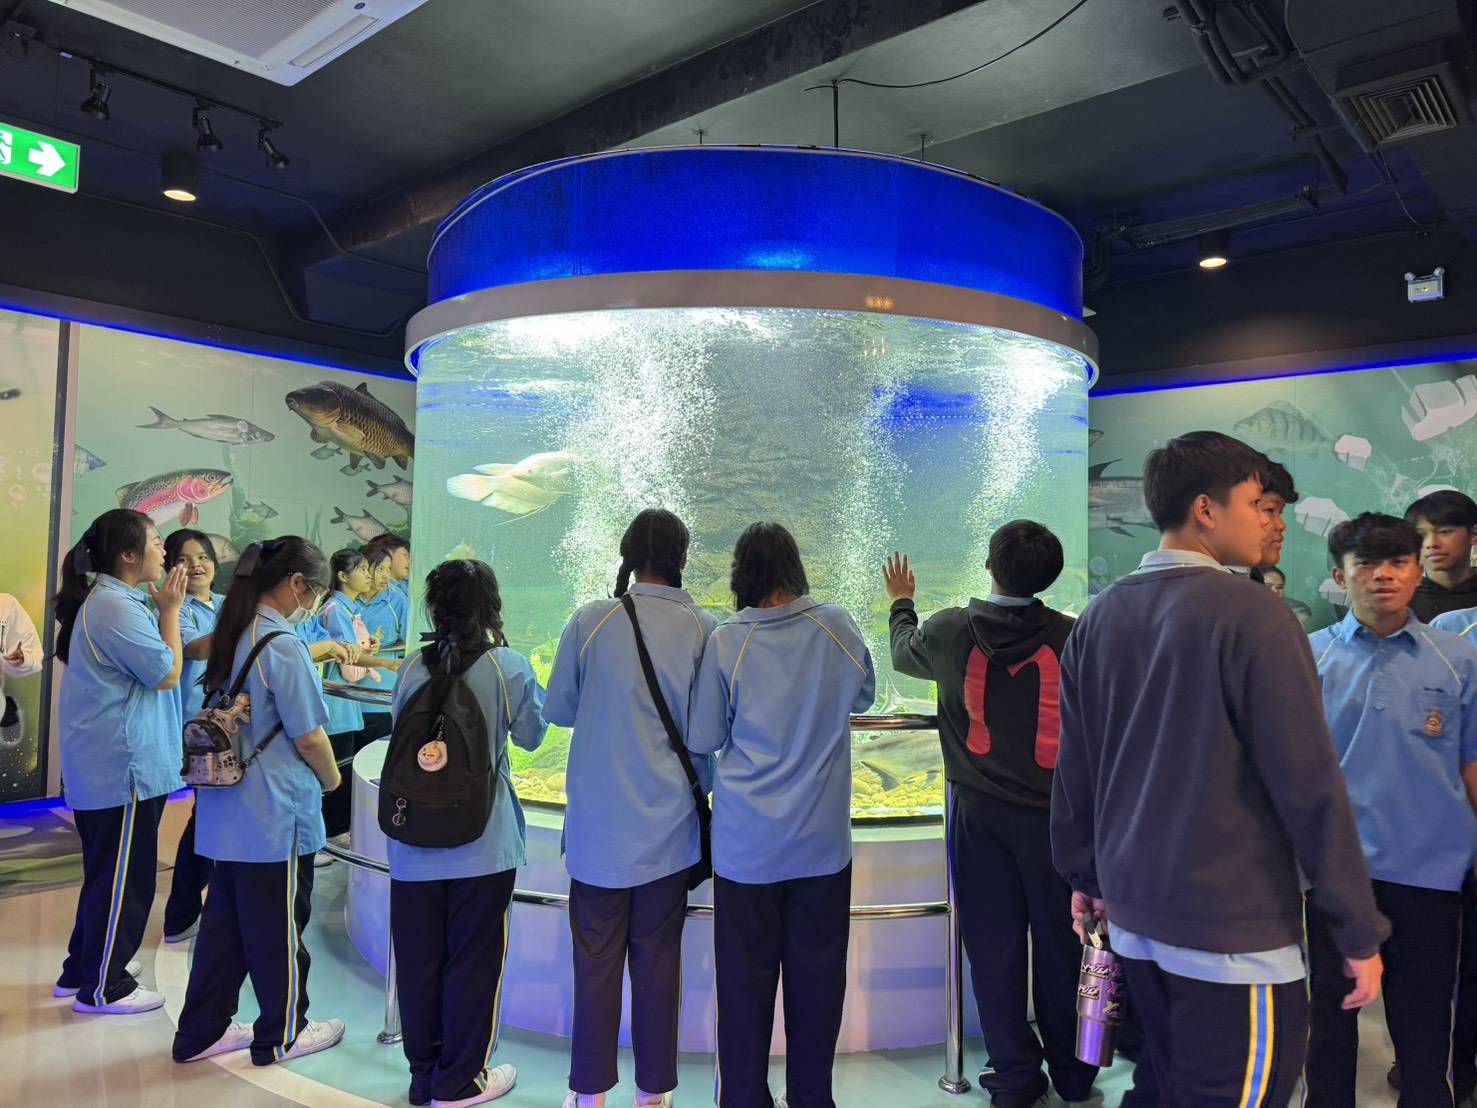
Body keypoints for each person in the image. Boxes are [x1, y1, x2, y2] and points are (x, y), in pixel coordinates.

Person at [1051, 431, 1388, 1107]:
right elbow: (1308, 785)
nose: (1271, 521)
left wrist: (1085, 877)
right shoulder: (1256, 614)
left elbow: (1076, 769)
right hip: (1232, 935)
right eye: (1257, 503)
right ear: (1205, 509)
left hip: (1135, 919)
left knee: (1165, 1084)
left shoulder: (1099, 616)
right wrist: (1356, 927)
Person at [884, 521, 1095, 1108]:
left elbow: (903, 654)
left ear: (988, 566)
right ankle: (1075, 1075)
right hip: (1055, 820)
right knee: (1063, 946)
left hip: (979, 817)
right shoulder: (1073, 637)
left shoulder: (950, 629)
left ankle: (1014, 1077)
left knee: (993, 948)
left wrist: (902, 603)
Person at [689, 522, 876, 1108]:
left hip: (746, 850)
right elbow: (864, 696)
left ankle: (744, 1098)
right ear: (795, 568)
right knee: (818, 985)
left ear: (742, 574)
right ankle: (812, 1099)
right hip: (821, 847)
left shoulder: (728, 640)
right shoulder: (837, 625)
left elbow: (705, 735)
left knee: (744, 989)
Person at [544, 509, 717, 1108]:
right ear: (683, 558)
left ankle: (589, 1093)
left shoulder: (591, 619)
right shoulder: (704, 628)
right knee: (659, 963)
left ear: (627, 556)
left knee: (594, 963)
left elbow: (558, 709)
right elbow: (707, 732)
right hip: (669, 834)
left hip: (597, 833)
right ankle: (653, 1092)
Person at [1305, 513, 1477, 1107]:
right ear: (1340, 577)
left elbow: (1471, 764)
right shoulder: (1309, 657)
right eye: (1367, 564)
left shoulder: (1457, 658)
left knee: (1426, 1025)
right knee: (1328, 1023)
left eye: (1399, 561)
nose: (1384, 575)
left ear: (1417, 570)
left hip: (1429, 869)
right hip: (1332, 871)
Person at [171, 537, 347, 1066]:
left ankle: (201, 1030)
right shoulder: (283, 644)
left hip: (227, 810)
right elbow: (309, 736)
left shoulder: (233, 632)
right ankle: (284, 1030)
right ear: (296, 584)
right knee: (279, 926)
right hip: (274, 812)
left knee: (224, 926)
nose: (312, 604)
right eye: (314, 593)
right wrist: (333, 782)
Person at [388, 559, 546, 1108]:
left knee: (419, 961)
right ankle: (461, 1080)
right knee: (475, 963)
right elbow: (532, 736)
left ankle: (423, 1075)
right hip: (483, 843)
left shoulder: (412, 666)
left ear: (434, 609)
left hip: (412, 843)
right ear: (491, 607)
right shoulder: (508, 667)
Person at [51, 509, 188, 1014]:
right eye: (155, 541)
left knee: (107, 875)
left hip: (111, 766)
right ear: (128, 555)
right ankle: (105, 986)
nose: (164, 550)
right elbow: (167, 674)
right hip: (122, 769)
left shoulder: (114, 601)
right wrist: (170, 611)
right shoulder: (115, 606)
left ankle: (82, 969)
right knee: (125, 881)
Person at [160, 529, 225, 945]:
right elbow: (196, 650)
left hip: (231, 728)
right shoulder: (173, 609)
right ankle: (181, 915)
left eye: (203, 557)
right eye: (185, 559)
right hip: (197, 729)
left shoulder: (227, 604)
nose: (197, 565)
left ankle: (196, 912)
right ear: (170, 567)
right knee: (206, 820)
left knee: (213, 818)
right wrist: (248, 626)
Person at [315, 548, 398, 851]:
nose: (369, 575)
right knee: (337, 772)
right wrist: (378, 663)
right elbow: (350, 668)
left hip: (346, 708)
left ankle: (336, 830)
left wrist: (367, 651)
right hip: (338, 707)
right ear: (342, 576)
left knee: (344, 768)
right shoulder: (337, 610)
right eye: (362, 570)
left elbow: (351, 651)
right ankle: (333, 833)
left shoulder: (347, 610)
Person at [359, 537, 408, 744]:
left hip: (380, 698)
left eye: (388, 569)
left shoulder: (396, 599)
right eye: (380, 569)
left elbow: (411, 640)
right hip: (346, 700)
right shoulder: (347, 600)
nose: (386, 575)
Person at [1406, 489, 1477, 622]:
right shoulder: (1401, 599)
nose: (1431, 544)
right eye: (1420, 535)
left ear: (1474, 534)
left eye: (1444, 532)